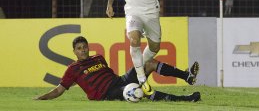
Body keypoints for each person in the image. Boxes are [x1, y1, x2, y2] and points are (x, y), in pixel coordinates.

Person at [34, 36, 200, 102]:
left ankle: (186, 76)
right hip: (107, 94)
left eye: (85, 47)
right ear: (74, 52)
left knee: (148, 62)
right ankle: (185, 99)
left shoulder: (98, 57)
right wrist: (40, 99)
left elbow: (108, 75)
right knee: (139, 90)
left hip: (119, 81)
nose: (83, 50)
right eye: (79, 48)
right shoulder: (73, 69)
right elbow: (58, 90)